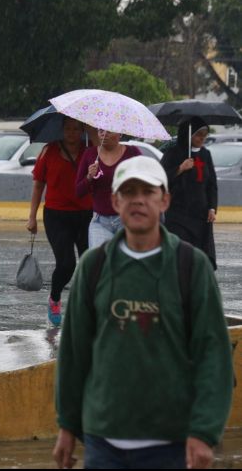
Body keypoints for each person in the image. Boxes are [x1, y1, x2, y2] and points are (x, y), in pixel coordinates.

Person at [54, 156, 232, 470]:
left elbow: (213, 355)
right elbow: (74, 351)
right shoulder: (93, 267)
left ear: (164, 200)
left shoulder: (192, 266)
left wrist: (204, 431)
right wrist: (67, 426)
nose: (138, 200)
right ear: (114, 200)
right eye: (129, 191)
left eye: (148, 191)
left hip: (172, 443)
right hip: (102, 442)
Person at [27, 117, 93, 327]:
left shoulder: (90, 152)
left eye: (76, 129)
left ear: (82, 130)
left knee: (89, 263)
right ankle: (55, 299)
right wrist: (32, 217)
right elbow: (38, 186)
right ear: (61, 130)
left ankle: (85, 305)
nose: (72, 133)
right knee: (66, 264)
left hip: (86, 215)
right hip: (57, 216)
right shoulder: (49, 151)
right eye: (68, 129)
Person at [161, 117, 218, 270]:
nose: (202, 138)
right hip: (178, 213)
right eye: (199, 134)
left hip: (200, 214)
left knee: (198, 256)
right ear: (188, 134)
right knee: (180, 253)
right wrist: (180, 168)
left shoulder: (206, 155)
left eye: (205, 135)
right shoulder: (172, 153)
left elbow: (212, 184)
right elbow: (160, 178)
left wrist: (212, 208)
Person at [76, 129, 141, 248]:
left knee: (124, 263)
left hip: (127, 218)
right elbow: (78, 191)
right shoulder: (90, 154)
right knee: (100, 263)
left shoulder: (133, 152)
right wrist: (89, 177)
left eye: (109, 131)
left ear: (120, 133)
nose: (103, 134)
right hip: (100, 221)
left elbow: (147, 181)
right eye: (100, 130)